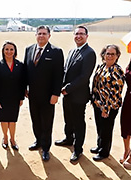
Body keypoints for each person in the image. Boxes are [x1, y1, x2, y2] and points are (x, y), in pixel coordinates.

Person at [55, 26, 96, 162]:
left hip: (78, 95)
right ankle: (68, 139)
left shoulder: (89, 53)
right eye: (76, 34)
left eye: (81, 34)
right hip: (67, 94)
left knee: (78, 122)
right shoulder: (73, 50)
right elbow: (66, 71)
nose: (79, 36)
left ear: (87, 36)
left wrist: (68, 88)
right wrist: (61, 86)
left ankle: (78, 149)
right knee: (68, 119)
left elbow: (84, 76)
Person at [24, 25, 64, 161]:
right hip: (32, 95)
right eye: (39, 33)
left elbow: (59, 75)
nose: (41, 36)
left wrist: (55, 94)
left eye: (44, 33)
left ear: (49, 36)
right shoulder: (29, 49)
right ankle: (38, 141)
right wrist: (25, 88)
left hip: (48, 96)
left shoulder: (56, 51)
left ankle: (46, 148)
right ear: (35, 35)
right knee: (35, 120)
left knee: (47, 122)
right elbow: (26, 71)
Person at [90, 44, 124, 161]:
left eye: (112, 54)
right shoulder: (101, 66)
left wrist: (107, 108)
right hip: (98, 104)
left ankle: (104, 152)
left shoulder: (117, 71)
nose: (109, 56)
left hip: (109, 106)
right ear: (103, 55)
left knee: (106, 129)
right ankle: (100, 146)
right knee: (100, 127)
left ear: (117, 56)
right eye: (107, 53)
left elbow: (116, 93)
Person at [0, 41, 25, 151]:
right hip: (2, 98)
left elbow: (22, 83)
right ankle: (5, 137)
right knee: (4, 119)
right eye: (7, 49)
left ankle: (12, 139)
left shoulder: (20, 65)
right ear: (3, 51)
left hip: (15, 98)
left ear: (15, 51)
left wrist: (21, 97)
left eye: (11, 49)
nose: (9, 52)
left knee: (13, 119)